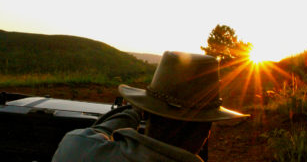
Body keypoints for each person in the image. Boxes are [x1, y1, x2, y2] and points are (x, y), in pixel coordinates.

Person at [52, 51, 249, 162]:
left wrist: (132, 111)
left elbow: (94, 132)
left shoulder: (76, 150)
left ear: (147, 112)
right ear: (207, 130)